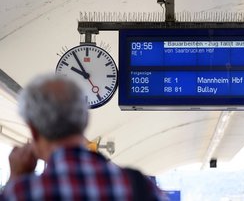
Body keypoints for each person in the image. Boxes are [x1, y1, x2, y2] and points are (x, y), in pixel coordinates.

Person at [0, 73, 165, 200]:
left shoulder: (22, 193)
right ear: (85, 120)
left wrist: (15, 179)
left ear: (33, 130)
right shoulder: (137, 186)